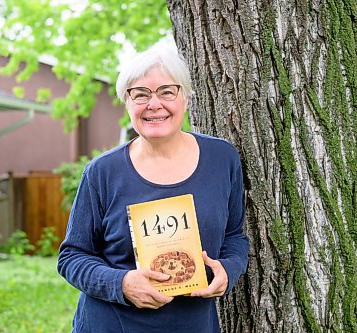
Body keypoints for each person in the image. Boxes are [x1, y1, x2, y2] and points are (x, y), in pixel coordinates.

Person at [57, 45, 249, 333]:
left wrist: (229, 269)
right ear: (127, 103)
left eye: (166, 92)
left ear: (185, 97)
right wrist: (120, 284)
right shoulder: (102, 172)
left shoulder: (222, 159)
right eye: (140, 95)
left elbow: (235, 236)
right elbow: (72, 256)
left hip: (192, 324)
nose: (154, 104)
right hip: (112, 324)